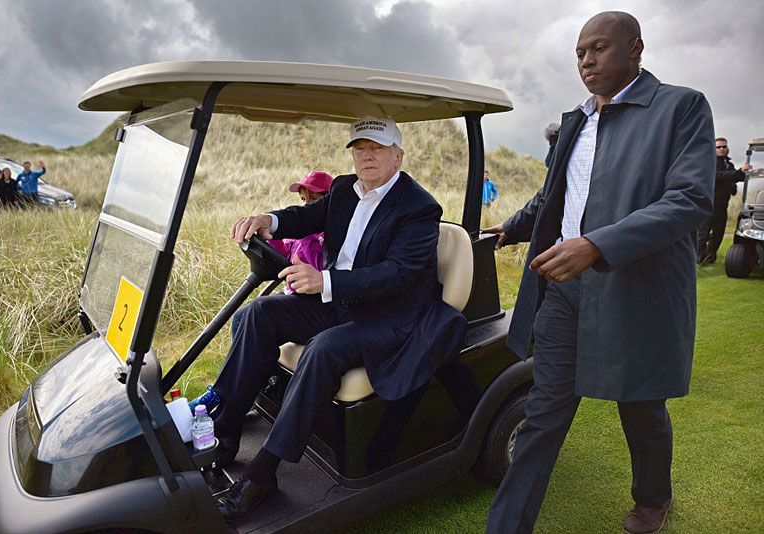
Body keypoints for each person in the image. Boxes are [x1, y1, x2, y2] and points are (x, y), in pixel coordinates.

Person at [483, 11, 714, 534]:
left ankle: (653, 500)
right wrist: (512, 228)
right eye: (580, 52)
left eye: (599, 48)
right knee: (543, 413)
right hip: (566, 293)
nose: (586, 60)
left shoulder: (681, 106)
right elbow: (556, 197)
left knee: (640, 406)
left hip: (635, 289)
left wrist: (596, 245)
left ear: (636, 48)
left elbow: (690, 199)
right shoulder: (576, 121)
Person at [212, 116, 467, 519]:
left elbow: (397, 274)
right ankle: (224, 434)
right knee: (257, 313)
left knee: (323, 349)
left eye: (378, 149)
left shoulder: (419, 208)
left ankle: (263, 475)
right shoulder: (345, 189)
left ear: (398, 156)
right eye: (360, 148)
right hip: (340, 304)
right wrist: (269, 220)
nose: (367, 156)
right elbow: (305, 217)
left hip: (391, 318)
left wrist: (325, 280)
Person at [188, 169, 334, 414]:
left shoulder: (325, 236)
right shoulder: (299, 232)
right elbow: (281, 248)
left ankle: (224, 398)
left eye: (315, 200)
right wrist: (264, 237)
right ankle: (251, 391)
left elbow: (322, 270)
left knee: (260, 312)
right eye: (304, 200)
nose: (308, 205)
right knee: (241, 316)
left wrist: (305, 242)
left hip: (319, 301)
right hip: (295, 297)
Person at [696, 138, 752, 264]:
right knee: (703, 233)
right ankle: (698, 257)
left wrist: (749, 173)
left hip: (722, 204)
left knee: (718, 232)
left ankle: (711, 255)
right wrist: (738, 172)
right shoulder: (709, 162)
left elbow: (735, 176)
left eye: (724, 146)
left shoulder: (729, 164)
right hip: (709, 203)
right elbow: (718, 175)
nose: (721, 149)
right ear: (714, 149)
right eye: (718, 147)